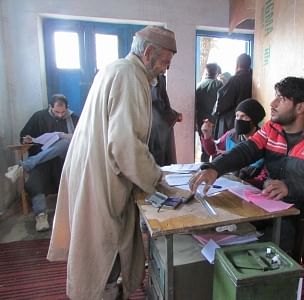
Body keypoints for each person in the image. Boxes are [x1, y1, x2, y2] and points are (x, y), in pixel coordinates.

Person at [47, 26, 177, 300]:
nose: (165, 69)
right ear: (148, 52)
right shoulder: (130, 76)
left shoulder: (117, 69)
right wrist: (158, 180)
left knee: (101, 240)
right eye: (165, 62)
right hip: (102, 174)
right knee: (105, 245)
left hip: (93, 166)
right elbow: (125, 145)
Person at [190, 77, 304, 253]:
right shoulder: (272, 129)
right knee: (223, 222)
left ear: (300, 107)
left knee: (256, 250)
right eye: (275, 96)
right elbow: (246, 150)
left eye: (281, 99)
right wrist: (215, 168)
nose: (273, 103)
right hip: (270, 208)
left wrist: (290, 188)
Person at [6, 94, 78, 232]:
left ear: (67, 108)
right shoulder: (38, 116)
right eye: (57, 112)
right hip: (42, 161)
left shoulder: (73, 117)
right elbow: (24, 135)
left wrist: (63, 135)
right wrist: (27, 139)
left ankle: (22, 166)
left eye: (63, 112)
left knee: (63, 143)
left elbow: (83, 136)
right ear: (50, 107)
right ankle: (41, 215)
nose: (60, 115)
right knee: (35, 181)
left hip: (63, 160)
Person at [200, 98, 266, 185]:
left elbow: (264, 177)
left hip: (252, 189)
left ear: (254, 120)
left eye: (244, 117)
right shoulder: (231, 135)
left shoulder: (263, 141)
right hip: (230, 185)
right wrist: (207, 134)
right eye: (237, 116)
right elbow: (212, 150)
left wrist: (242, 183)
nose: (238, 120)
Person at [213, 53, 253, 139]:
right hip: (248, 120)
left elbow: (222, 103)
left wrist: (215, 112)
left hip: (231, 121)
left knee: (228, 145)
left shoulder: (235, 79)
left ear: (237, 64)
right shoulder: (252, 78)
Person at [148, 73, 182, 166]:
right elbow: (157, 104)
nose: (166, 68)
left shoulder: (158, 77)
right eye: (165, 62)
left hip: (155, 127)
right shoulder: (155, 78)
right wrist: (175, 115)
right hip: (155, 130)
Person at [195, 63, 223, 162]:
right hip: (214, 121)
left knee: (204, 148)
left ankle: (203, 169)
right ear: (216, 72)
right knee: (215, 147)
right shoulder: (219, 84)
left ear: (206, 72)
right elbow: (221, 102)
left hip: (201, 121)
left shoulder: (198, 85)